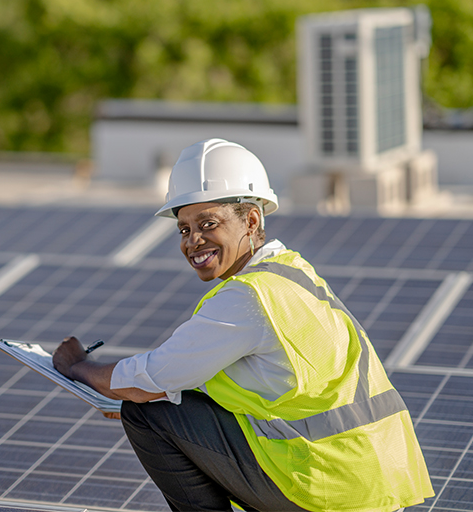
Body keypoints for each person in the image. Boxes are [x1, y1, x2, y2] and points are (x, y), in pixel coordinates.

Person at [53, 138, 434, 512]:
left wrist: (77, 367)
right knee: (167, 398)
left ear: (251, 220)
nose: (193, 241)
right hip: (370, 478)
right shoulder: (291, 272)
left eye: (208, 223)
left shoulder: (248, 298)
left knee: (148, 412)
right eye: (184, 229)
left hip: (327, 486)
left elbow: (150, 377)